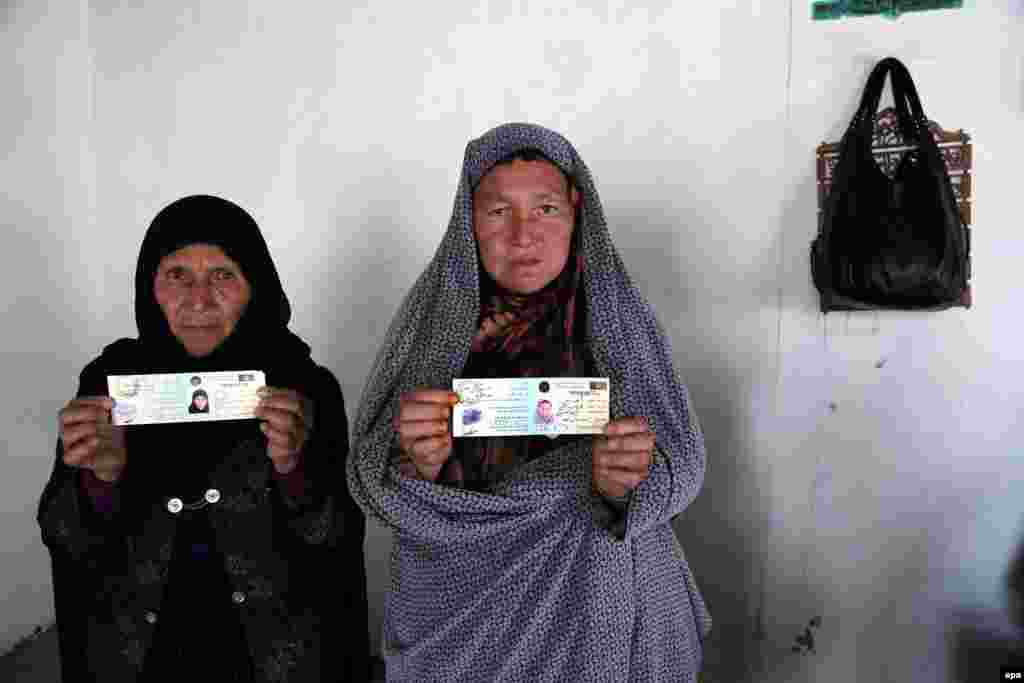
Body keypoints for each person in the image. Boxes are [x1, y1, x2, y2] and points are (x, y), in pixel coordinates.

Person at [348, 123, 711, 682]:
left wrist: (626, 484)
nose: (524, 235)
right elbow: (370, 479)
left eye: (545, 209)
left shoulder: (620, 321)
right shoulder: (430, 326)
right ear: (468, 220)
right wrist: (414, 465)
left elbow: (681, 463)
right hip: (459, 625)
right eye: (498, 212)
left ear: (576, 214)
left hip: (597, 612)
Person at [39, 195, 370, 682]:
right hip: (140, 659)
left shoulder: (303, 386)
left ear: (254, 286)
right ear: (149, 287)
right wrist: (101, 477)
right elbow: (65, 537)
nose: (198, 301)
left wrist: (295, 470)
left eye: (223, 275)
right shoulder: (111, 383)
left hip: (274, 661)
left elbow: (337, 541)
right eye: (177, 276)